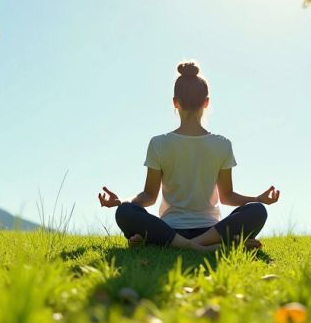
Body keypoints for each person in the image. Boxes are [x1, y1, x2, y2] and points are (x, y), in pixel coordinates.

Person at [96, 61, 280, 252]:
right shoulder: (222, 144)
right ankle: (210, 246)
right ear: (206, 102)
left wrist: (121, 202)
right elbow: (227, 197)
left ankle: (176, 245)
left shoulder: (158, 143)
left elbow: (149, 196)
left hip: (168, 230)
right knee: (257, 211)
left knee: (125, 212)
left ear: (175, 102)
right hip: (212, 231)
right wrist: (258, 198)